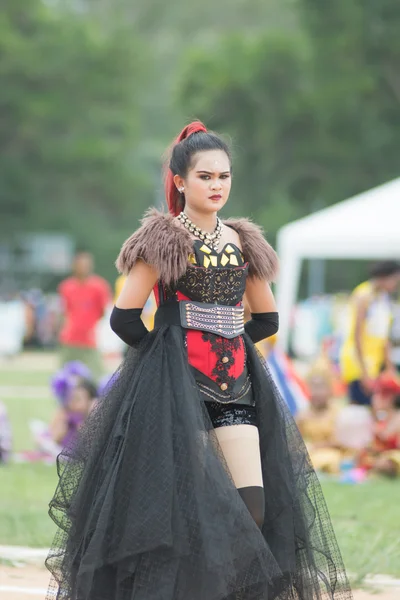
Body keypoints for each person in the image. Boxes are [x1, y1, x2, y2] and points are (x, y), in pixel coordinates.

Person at [46, 122, 352, 600]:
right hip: (174, 389)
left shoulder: (242, 242)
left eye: (224, 177)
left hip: (235, 387)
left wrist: (232, 339)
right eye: (205, 177)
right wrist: (162, 355)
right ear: (180, 182)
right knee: (184, 508)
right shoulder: (162, 239)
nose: (216, 186)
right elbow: (125, 317)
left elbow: (267, 318)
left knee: (251, 508)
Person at [340, 261, 400, 406]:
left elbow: (383, 336)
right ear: (384, 277)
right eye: (395, 280)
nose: (396, 285)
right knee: (362, 410)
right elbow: (357, 335)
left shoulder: (383, 298)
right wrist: (364, 373)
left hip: (375, 365)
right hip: (359, 364)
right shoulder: (364, 295)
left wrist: (389, 367)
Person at [58, 250, 112, 378]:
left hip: (90, 339)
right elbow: (64, 311)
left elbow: (103, 311)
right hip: (70, 338)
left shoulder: (99, 286)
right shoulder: (66, 286)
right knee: (64, 377)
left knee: (95, 377)